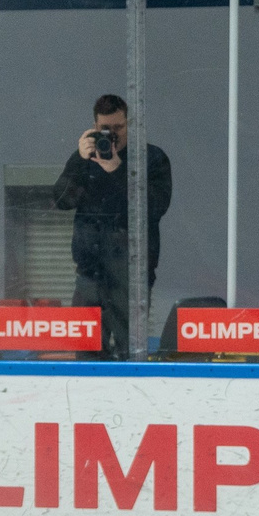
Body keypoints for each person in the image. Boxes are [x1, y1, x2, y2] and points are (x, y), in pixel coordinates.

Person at [51, 93, 174, 358]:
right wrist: (78, 161)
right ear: (95, 127)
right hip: (89, 272)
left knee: (131, 352)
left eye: (118, 128)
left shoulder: (151, 159)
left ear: (130, 124)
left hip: (131, 276)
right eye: (105, 129)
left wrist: (118, 169)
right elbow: (61, 201)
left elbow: (154, 208)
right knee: (85, 352)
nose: (112, 135)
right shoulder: (86, 159)